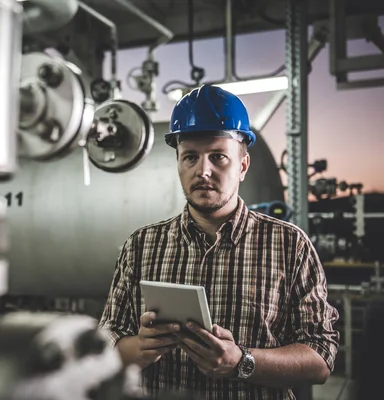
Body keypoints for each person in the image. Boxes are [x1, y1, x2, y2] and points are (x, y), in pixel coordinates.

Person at [98, 85, 340, 399]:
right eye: (190, 158)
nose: (203, 170)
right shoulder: (141, 245)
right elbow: (106, 341)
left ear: (242, 165)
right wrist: (141, 348)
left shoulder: (289, 245)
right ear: (179, 163)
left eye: (218, 157)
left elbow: (320, 358)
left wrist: (242, 361)